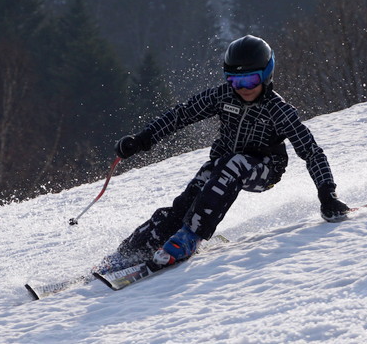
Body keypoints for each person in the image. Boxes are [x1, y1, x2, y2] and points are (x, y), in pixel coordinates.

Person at [100, 35, 349, 272]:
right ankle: (132, 251)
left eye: (249, 81)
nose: (242, 88)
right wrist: (142, 140)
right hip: (222, 165)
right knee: (186, 201)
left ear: (266, 75)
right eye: (234, 81)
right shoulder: (222, 96)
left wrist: (327, 194)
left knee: (234, 163)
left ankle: (191, 236)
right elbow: (182, 115)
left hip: (264, 169)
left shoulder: (279, 110)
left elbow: (312, 152)